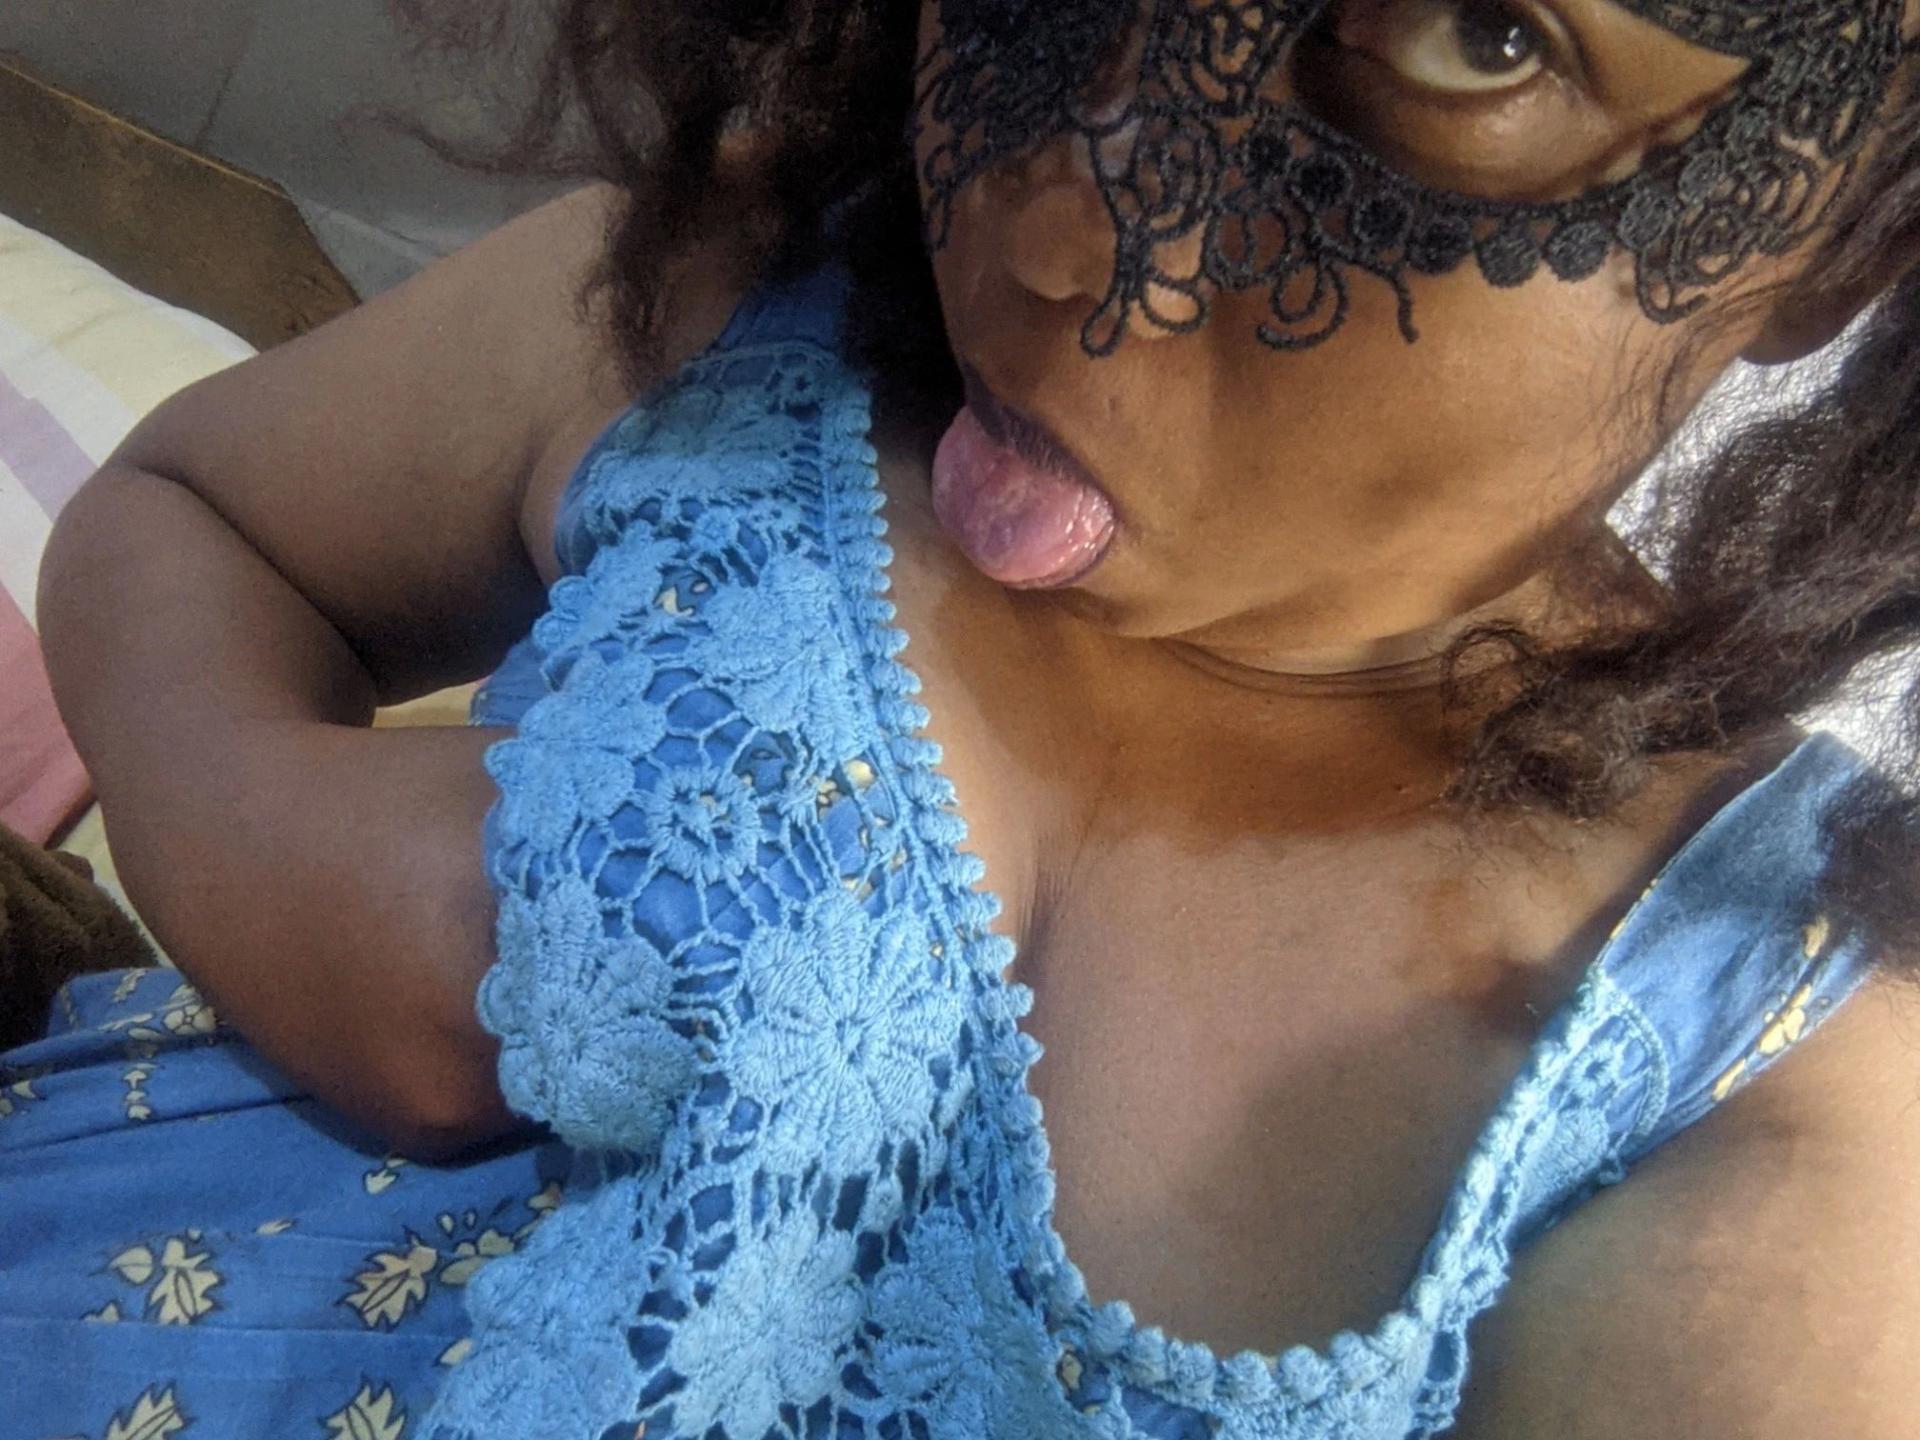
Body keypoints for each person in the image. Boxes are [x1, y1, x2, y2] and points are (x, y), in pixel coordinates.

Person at [7, 0, 1920, 1435]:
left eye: (1475, 34)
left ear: (1839, 230)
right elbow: (184, 518)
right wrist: (283, 844)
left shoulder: (1765, 1098)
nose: (1058, 236)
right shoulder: (763, 303)